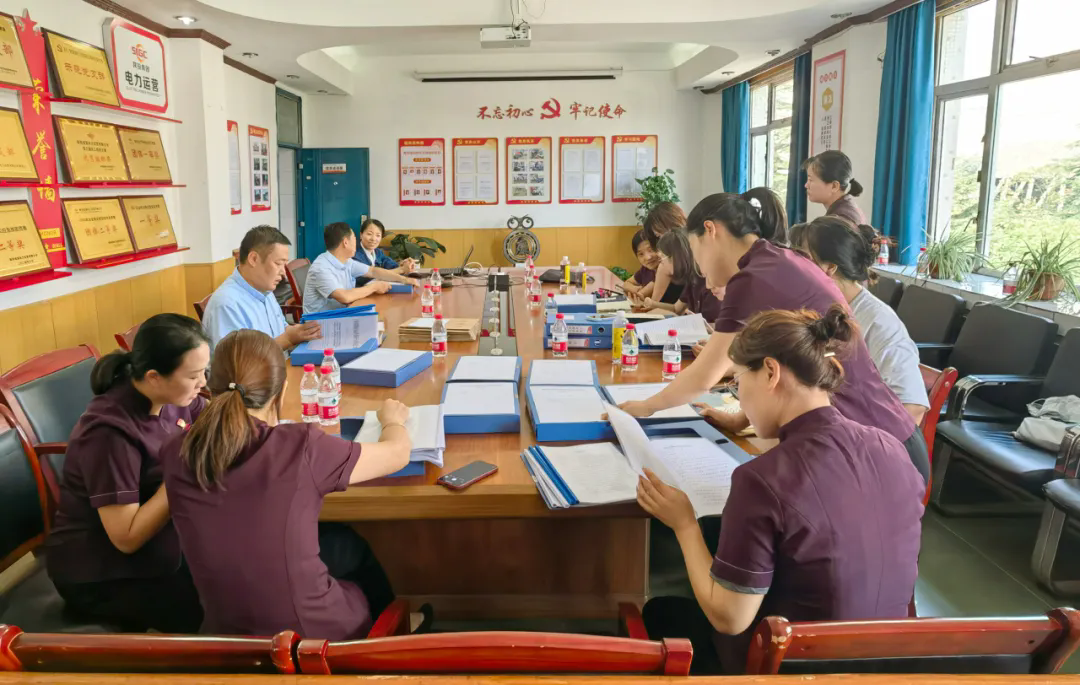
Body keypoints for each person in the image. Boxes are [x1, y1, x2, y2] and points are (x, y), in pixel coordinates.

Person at [638, 306, 924, 674]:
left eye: (738, 381)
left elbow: (730, 619)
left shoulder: (761, 479)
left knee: (660, 612)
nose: (740, 397)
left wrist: (683, 524)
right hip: (885, 662)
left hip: (791, 667)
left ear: (771, 372)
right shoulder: (892, 448)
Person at [617, 193, 930, 483]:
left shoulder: (752, 278)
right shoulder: (777, 260)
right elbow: (789, 356)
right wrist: (740, 420)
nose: (697, 264)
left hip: (881, 450)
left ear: (710, 231)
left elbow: (705, 375)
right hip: (875, 440)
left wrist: (646, 407)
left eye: (694, 247)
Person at [161, 329, 427, 639]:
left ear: (209, 388)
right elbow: (397, 454)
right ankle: (387, 639)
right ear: (282, 391)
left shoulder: (176, 451)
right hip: (313, 640)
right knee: (350, 555)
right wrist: (392, 421)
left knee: (339, 543)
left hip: (224, 638)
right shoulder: (301, 446)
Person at [45, 314, 210, 633]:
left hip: (164, 542)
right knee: (216, 607)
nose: (202, 382)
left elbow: (210, 422)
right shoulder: (109, 434)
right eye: (193, 375)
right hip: (103, 575)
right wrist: (181, 472)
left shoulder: (174, 397)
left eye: (204, 371)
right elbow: (127, 538)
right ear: (154, 377)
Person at [791, 217, 929, 424]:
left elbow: (913, 407)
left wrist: (856, 439)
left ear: (829, 268)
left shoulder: (880, 322)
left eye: (802, 261)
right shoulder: (818, 309)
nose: (794, 269)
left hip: (862, 437)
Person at [203, 225, 321, 350]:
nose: (284, 273)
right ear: (253, 259)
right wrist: (289, 339)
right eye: (278, 264)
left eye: (284, 265)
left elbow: (282, 329)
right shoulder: (226, 305)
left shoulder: (264, 290)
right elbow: (240, 359)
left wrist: (301, 331)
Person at [304, 222, 420, 316]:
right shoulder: (321, 268)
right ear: (345, 242)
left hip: (344, 312)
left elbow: (373, 271)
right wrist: (374, 287)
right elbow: (344, 297)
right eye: (354, 238)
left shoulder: (347, 261)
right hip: (321, 324)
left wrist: (404, 280)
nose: (356, 242)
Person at [644, 230, 723, 322]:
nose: (661, 263)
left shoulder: (709, 283)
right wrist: (652, 304)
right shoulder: (693, 278)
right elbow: (676, 308)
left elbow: (714, 325)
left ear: (676, 257)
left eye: (662, 257)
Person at [632, 202, 687, 306]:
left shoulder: (698, 254)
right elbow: (654, 305)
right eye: (658, 236)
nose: (662, 239)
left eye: (662, 233)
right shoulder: (665, 264)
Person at [804, 150, 866, 225]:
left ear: (834, 186)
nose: (806, 185)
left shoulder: (840, 220)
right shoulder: (847, 208)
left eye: (811, 180)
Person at [352, 218, 418, 286]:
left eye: (378, 235)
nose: (373, 239)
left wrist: (404, 263)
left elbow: (391, 265)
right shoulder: (354, 254)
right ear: (361, 235)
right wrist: (401, 269)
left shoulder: (378, 252)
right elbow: (370, 278)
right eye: (369, 234)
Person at [622, 230, 660, 297]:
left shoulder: (665, 269)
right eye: (641, 254)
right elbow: (626, 284)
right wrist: (635, 288)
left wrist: (640, 292)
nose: (648, 257)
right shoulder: (645, 269)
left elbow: (641, 294)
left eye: (651, 250)